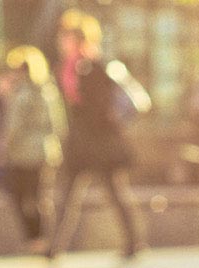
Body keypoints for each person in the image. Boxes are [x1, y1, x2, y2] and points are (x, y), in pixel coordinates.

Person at [44, 10, 148, 260]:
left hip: (100, 143)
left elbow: (100, 107)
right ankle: (54, 247)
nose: (62, 42)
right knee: (67, 195)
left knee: (113, 192)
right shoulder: (69, 68)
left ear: (77, 39)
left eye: (66, 37)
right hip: (81, 143)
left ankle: (135, 242)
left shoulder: (94, 66)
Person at [0, 46, 66, 252]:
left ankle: (34, 238)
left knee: (19, 195)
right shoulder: (49, 91)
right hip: (46, 151)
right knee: (40, 196)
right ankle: (44, 238)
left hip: (23, 153)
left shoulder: (21, 93)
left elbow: (13, 127)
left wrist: (2, 148)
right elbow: (59, 125)